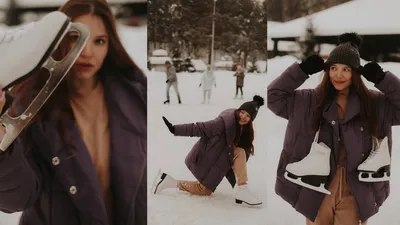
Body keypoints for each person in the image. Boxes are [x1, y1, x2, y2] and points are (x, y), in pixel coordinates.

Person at [0, 1, 147, 224]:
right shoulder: (29, 106)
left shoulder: (136, 97)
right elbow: (19, 197)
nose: (87, 52)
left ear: (110, 45)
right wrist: (2, 150)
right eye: (75, 38)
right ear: (54, 41)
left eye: (99, 41)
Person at [267, 32, 400, 225]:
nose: (338, 75)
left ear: (355, 73)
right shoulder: (307, 101)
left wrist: (383, 79)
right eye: (334, 68)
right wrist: (301, 70)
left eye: (346, 69)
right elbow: (274, 97)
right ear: (327, 70)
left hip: (355, 190)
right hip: (316, 188)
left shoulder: (375, 104)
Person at [153, 95, 265, 206]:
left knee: (205, 191)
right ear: (238, 110)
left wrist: (235, 184)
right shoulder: (222, 123)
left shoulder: (243, 130)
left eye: (248, 116)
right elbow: (199, 128)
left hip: (217, 161)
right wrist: (175, 129)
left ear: (251, 120)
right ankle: (242, 189)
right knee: (239, 152)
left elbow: (230, 158)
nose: (244, 117)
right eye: (243, 112)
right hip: (204, 158)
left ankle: (169, 182)